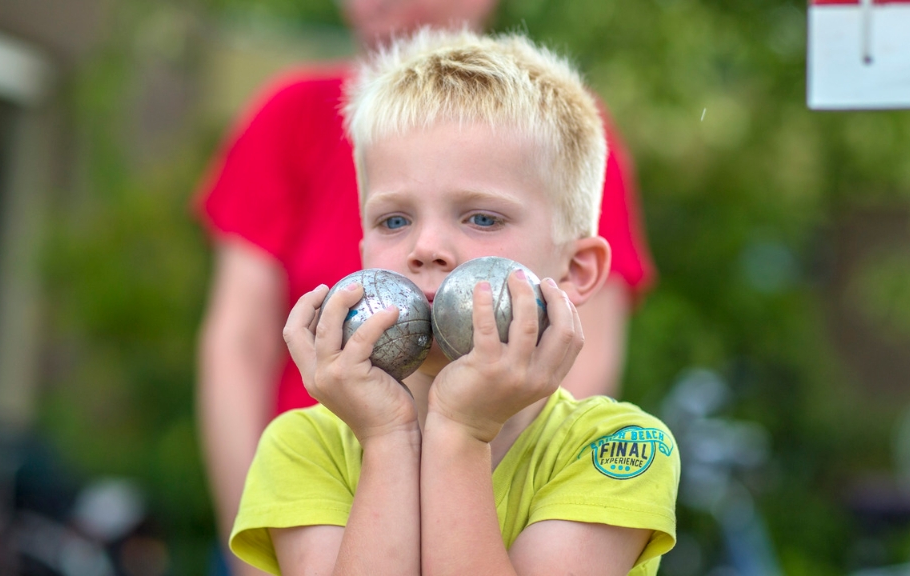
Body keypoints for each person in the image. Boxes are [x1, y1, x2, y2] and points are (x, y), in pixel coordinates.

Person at [195, 2, 655, 567]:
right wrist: (389, 440)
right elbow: (235, 339)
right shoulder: (302, 448)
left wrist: (461, 433)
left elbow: (592, 354)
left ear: (577, 271)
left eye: (482, 218)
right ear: (363, 252)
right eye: (394, 220)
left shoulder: (617, 448)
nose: (426, 246)